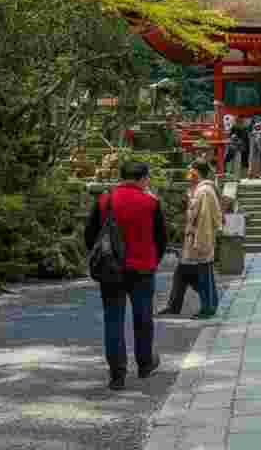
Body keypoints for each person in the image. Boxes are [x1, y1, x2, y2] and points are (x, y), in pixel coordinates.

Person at [84, 160, 167, 390]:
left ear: (122, 177)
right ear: (143, 178)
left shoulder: (105, 199)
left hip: (111, 269)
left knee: (113, 321)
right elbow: (161, 238)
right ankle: (145, 364)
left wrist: (101, 256)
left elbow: (90, 234)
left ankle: (117, 374)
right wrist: (153, 260)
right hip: (142, 269)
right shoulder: (151, 202)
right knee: (143, 319)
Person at [160, 161, 205, 317]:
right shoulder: (193, 190)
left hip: (197, 240)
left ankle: (209, 301)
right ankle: (174, 306)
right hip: (190, 240)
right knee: (182, 275)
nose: (188, 175)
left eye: (191, 172)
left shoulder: (204, 191)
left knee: (189, 276)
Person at [182, 171, 223, 320]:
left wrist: (200, 241)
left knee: (203, 275)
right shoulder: (204, 189)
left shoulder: (203, 191)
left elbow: (204, 217)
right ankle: (211, 305)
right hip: (202, 236)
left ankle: (207, 307)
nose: (189, 179)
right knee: (204, 274)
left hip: (201, 237)